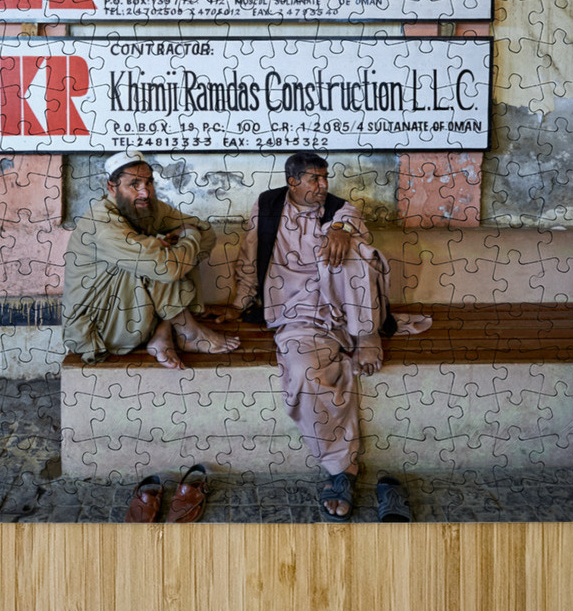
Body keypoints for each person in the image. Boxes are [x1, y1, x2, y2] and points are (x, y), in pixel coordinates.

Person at [228, 151, 431, 520]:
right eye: (314, 179)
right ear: (293, 182)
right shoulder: (268, 205)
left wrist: (342, 230)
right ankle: (342, 470)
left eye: (325, 178)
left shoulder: (340, 209)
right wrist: (238, 303)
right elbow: (248, 256)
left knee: (355, 250)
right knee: (305, 374)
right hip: (297, 317)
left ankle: (367, 337)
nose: (323, 186)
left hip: (347, 311)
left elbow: (351, 219)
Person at [63, 149, 240, 369]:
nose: (145, 192)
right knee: (161, 263)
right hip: (99, 330)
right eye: (134, 184)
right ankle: (190, 333)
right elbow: (167, 267)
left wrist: (179, 241)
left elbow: (204, 232)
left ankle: (163, 331)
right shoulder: (101, 224)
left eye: (148, 183)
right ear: (112, 187)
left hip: (133, 316)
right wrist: (184, 239)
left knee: (170, 256)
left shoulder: (147, 207)